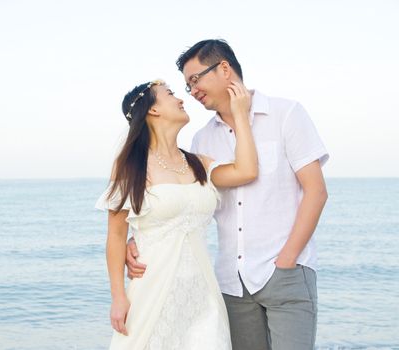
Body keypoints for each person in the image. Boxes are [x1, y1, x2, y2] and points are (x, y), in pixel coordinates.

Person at [127, 39, 329, 350]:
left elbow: (316, 191)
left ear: (224, 69)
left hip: (285, 273)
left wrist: (288, 259)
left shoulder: (286, 113)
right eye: (186, 85)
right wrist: (136, 238)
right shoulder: (202, 140)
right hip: (231, 285)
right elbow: (183, 205)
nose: (192, 91)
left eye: (195, 79)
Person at [96, 78, 258, 349]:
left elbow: (247, 171)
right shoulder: (130, 166)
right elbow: (115, 235)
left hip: (202, 294)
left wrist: (240, 115)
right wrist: (118, 297)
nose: (181, 99)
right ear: (153, 110)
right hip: (153, 290)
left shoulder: (198, 163)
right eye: (170, 94)